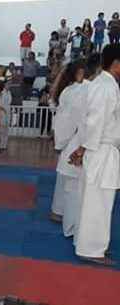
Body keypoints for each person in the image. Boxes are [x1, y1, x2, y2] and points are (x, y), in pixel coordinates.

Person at [70, 44, 120, 265]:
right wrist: (84, 147)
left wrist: (83, 147)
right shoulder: (106, 87)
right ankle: (90, 248)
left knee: (94, 198)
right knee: (98, 200)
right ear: (116, 63)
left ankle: (88, 244)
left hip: (100, 148)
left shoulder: (106, 85)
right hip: (101, 150)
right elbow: (95, 121)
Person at [49, 60, 89, 230]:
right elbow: (72, 119)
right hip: (75, 140)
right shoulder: (80, 90)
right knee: (73, 185)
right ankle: (70, 223)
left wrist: (61, 139)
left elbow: (55, 102)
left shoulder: (68, 90)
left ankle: (58, 211)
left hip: (70, 139)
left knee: (65, 181)